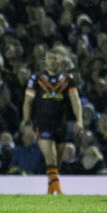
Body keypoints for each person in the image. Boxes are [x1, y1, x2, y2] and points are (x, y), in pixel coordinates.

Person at [22, 47, 82, 195]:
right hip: (42, 124)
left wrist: (79, 120)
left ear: (60, 60)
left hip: (61, 124)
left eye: (55, 58)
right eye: (49, 58)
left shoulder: (68, 80)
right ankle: (59, 192)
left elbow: (75, 101)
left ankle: (50, 192)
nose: (52, 61)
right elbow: (27, 102)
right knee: (51, 157)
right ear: (45, 61)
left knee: (57, 162)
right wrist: (27, 122)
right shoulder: (36, 79)